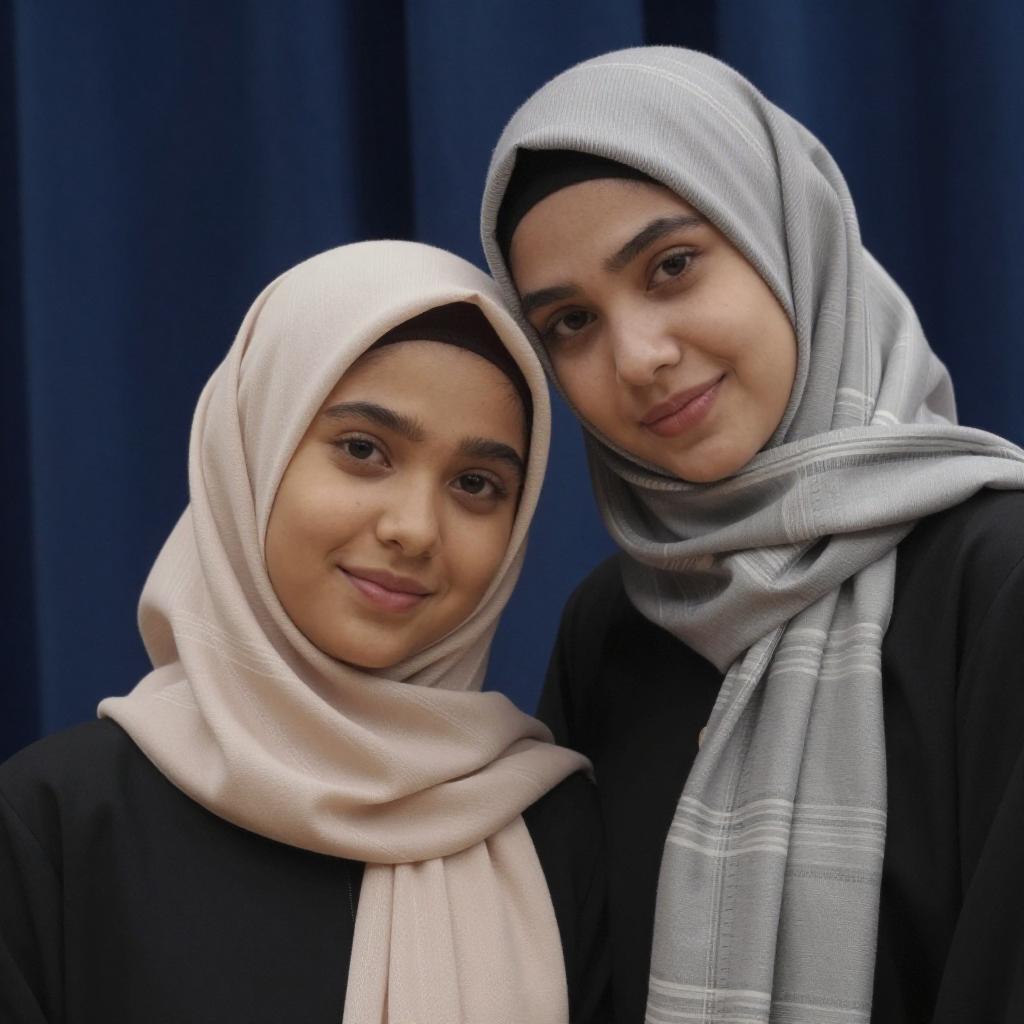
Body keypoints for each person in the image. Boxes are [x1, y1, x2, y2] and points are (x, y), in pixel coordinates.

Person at [480, 47, 1024, 1024]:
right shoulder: (612, 631)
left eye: (672, 266)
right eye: (569, 323)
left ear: (788, 235)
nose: (638, 356)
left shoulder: (996, 579)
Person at [0, 241, 609, 1023]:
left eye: (475, 484)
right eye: (363, 450)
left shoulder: (557, 831)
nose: (415, 528)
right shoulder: (57, 824)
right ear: (251, 450)